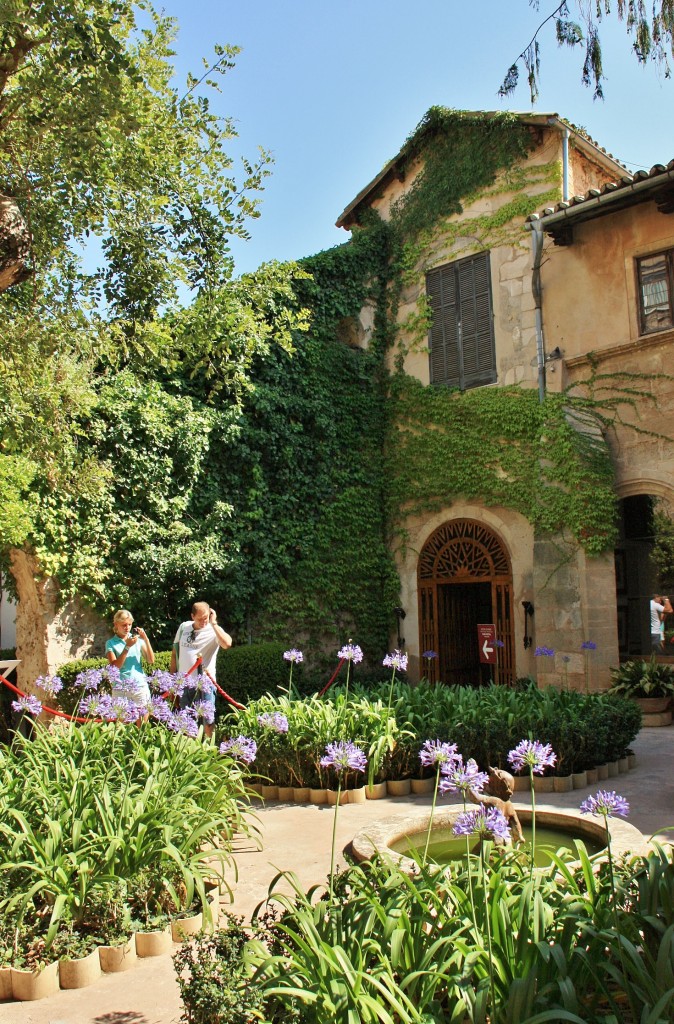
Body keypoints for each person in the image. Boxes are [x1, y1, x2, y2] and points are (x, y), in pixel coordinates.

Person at [170, 602, 232, 738]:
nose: (204, 621)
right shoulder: (183, 627)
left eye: (206, 618)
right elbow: (175, 654)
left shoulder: (214, 630)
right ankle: (188, 752)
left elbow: (227, 644)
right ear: (192, 616)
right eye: (200, 619)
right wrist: (172, 682)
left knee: (208, 721)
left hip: (205, 683)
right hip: (185, 683)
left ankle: (209, 752)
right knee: (186, 721)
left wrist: (214, 623)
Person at [105, 609, 155, 704]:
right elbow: (114, 667)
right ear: (116, 624)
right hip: (121, 687)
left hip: (139, 686)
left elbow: (151, 660)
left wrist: (146, 639)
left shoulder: (136, 639)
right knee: (122, 719)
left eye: (129, 624)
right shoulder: (110, 643)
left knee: (143, 718)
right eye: (124, 625)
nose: (127, 628)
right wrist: (127, 647)